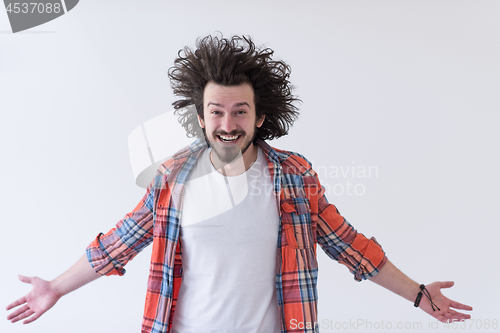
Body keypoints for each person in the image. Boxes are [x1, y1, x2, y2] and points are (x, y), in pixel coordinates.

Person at [6, 34, 472, 333]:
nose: (227, 123)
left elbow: (347, 244)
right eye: (216, 111)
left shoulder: (293, 176)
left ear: (261, 117)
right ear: (201, 118)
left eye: (240, 111)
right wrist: (56, 288)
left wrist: (417, 293)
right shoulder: (172, 177)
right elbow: (120, 242)